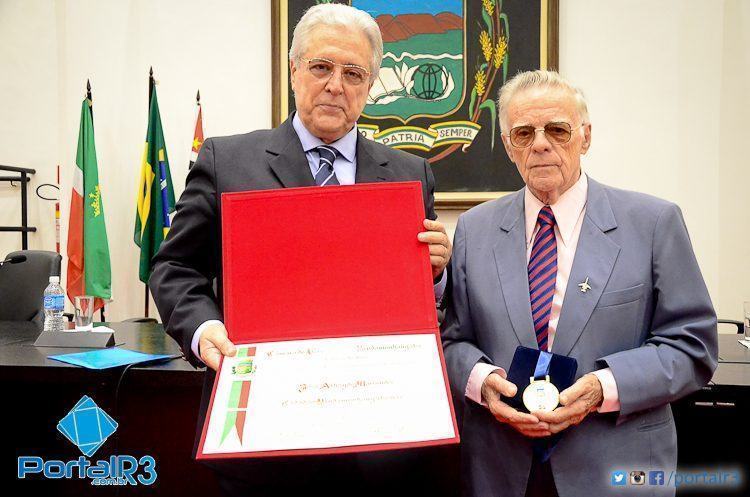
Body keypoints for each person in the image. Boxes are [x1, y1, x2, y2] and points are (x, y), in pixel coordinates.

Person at [149, 4, 453, 496]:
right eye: (321, 67)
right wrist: (204, 329)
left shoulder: (409, 174)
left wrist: (435, 270)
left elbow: (424, 296)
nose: (336, 84)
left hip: (379, 441)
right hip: (266, 443)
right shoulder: (228, 161)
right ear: (294, 71)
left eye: (353, 72)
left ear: (372, 84)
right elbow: (174, 266)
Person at [441, 70, 718, 497]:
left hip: (614, 468)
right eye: (523, 133)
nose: (540, 143)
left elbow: (693, 346)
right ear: (509, 148)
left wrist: (602, 388)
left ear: (585, 137)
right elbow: (453, 340)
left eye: (557, 129)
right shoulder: (475, 229)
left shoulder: (653, 223)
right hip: (500, 471)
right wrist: (481, 380)